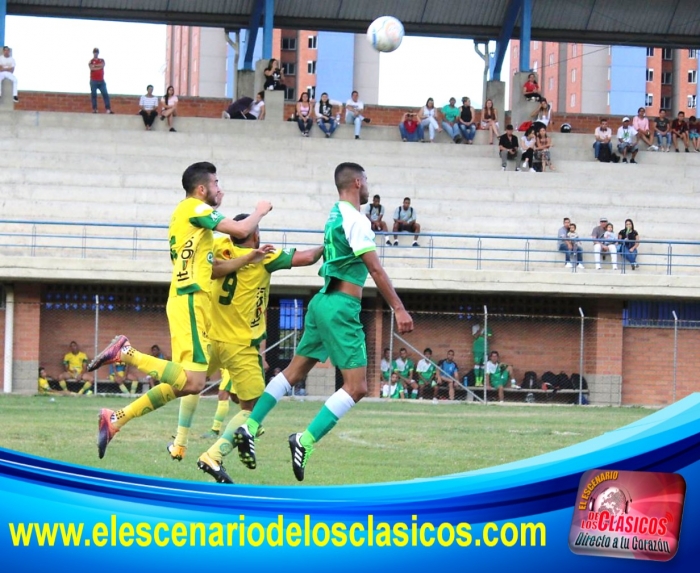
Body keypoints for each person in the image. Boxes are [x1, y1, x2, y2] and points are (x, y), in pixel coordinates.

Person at [231, 162, 413, 482]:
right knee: (356, 387)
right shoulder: (356, 219)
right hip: (341, 306)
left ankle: (251, 425)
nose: (368, 185)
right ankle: (305, 439)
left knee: (293, 372)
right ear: (357, 182)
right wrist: (398, 308)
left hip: (320, 302)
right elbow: (376, 270)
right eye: (366, 180)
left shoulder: (334, 215)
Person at [87, 161, 273, 460]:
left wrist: (247, 259)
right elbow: (240, 228)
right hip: (190, 300)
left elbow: (213, 269)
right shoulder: (194, 209)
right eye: (215, 183)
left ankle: (116, 418)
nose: (219, 188)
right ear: (202, 189)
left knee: (186, 384)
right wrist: (261, 210)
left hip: (191, 300)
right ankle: (125, 352)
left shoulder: (192, 221)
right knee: (193, 382)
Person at [191, 219, 324, 481]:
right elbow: (308, 258)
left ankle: (130, 362)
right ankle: (214, 455)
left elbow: (207, 265)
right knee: (253, 413)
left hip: (211, 337)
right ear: (254, 234)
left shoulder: (219, 248)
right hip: (241, 345)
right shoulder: (264, 257)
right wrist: (329, 243)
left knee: (188, 384)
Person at [88, 48, 112, 114]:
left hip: (101, 81)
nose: (96, 53)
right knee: (94, 95)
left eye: (97, 52)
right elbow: (91, 68)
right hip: (93, 81)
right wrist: (97, 67)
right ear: (93, 53)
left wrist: (95, 66)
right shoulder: (91, 61)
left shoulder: (101, 60)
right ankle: (95, 109)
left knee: (105, 94)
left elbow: (102, 66)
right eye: (95, 52)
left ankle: (108, 109)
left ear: (98, 53)